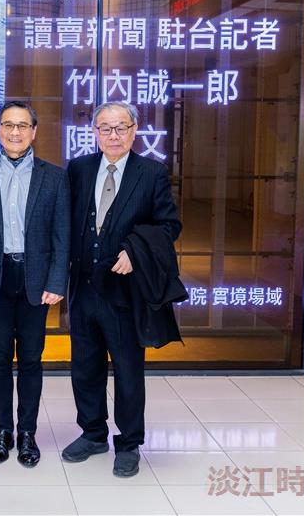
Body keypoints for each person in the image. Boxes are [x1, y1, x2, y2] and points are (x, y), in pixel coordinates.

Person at [63, 101, 183, 478]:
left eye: (120, 128)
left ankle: (128, 443)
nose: (113, 136)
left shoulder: (151, 173)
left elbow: (169, 226)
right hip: (83, 289)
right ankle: (93, 433)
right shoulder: (79, 169)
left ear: (134, 130)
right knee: (85, 367)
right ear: (94, 132)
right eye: (105, 128)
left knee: (129, 371)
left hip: (124, 292)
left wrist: (134, 250)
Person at [0, 101, 70, 467]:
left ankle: (27, 433)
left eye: (23, 126)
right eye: (8, 125)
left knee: (30, 360)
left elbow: (62, 236)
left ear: (34, 132)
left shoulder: (54, 177)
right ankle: (1, 432)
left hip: (36, 281)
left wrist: (57, 280)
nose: (15, 132)